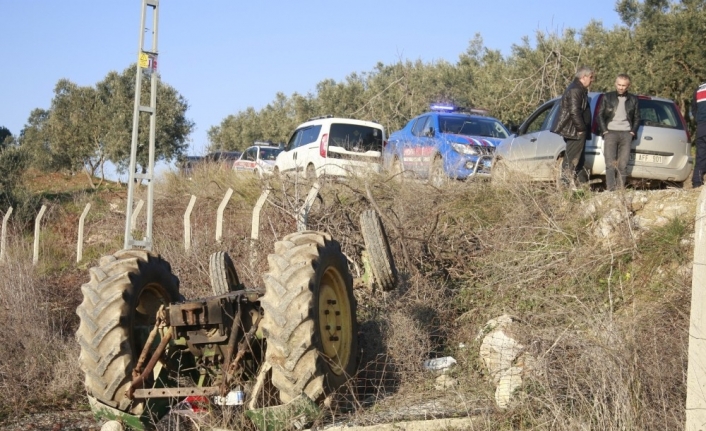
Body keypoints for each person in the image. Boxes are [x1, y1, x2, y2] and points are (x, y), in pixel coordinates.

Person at [551, 66, 594, 187]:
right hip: (575, 131)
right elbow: (574, 111)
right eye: (591, 77)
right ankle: (565, 187)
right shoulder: (575, 90)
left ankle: (582, 186)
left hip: (576, 131)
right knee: (571, 160)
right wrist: (580, 129)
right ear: (583, 77)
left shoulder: (578, 89)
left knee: (580, 160)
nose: (592, 80)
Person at [597, 74, 640, 191]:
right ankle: (611, 189)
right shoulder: (607, 97)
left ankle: (620, 190)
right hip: (610, 133)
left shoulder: (633, 99)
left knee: (623, 164)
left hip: (626, 134)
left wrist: (632, 132)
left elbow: (637, 117)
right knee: (610, 163)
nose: (621, 88)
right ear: (615, 84)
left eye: (624, 85)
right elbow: (600, 115)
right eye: (619, 85)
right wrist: (605, 130)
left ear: (628, 86)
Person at [693, 81, 706, 188]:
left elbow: (694, 110)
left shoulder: (699, 89)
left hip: (701, 127)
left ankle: (697, 182)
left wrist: (699, 121)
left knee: (701, 156)